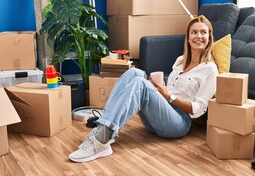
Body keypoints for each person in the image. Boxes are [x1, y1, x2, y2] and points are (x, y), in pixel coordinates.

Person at [69, 15, 219, 163]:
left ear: (209, 37)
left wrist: (168, 97)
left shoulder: (210, 69)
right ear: (187, 37)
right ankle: (103, 126)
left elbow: (199, 109)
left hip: (178, 123)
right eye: (194, 32)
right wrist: (158, 90)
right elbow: (171, 90)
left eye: (203, 32)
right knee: (135, 72)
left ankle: (101, 141)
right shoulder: (180, 61)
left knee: (141, 83)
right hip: (160, 116)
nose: (198, 36)